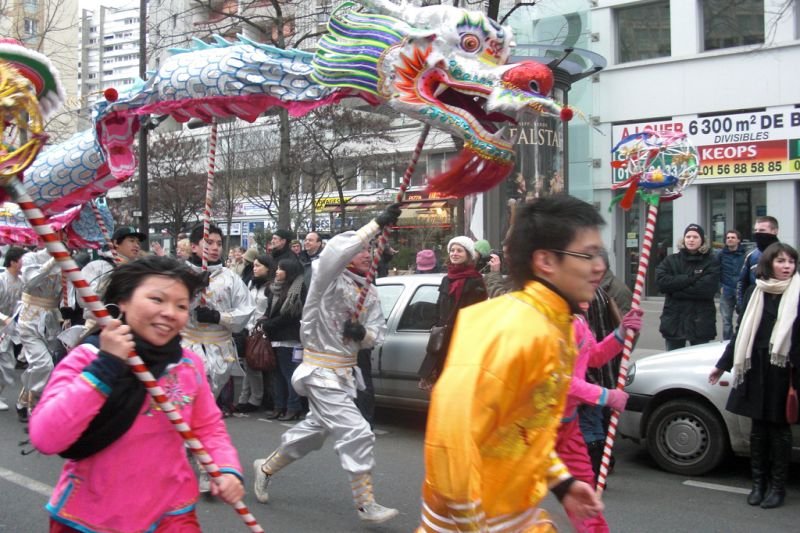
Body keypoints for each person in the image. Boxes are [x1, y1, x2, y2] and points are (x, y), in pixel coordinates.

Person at [417, 195, 605, 532]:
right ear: (546, 261)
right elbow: (450, 441)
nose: (599, 267)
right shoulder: (514, 329)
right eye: (588, 255)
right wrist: (474, 525)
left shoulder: (554, 325)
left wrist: (562, 483)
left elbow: (519, 430)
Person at [29, 256, 245, 532]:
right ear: (123, 301)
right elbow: (46, 437)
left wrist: (226, 468)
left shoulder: (188, 365)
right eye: (157, 299)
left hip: (172, 514)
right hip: (91, 517)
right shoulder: (88, 358)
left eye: (181, 305)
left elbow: (208, 426)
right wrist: (107, 366)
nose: (170, 312)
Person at [253, 203, 402, 524]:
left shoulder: (370, 292)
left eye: (371, 249)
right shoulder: (325, 280)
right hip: (320, 371)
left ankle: (264, 468)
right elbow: (333, 252)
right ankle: (366, 503)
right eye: (361, 248)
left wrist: (362, 334)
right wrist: (375, 225)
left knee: (312, 433)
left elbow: (378, 333)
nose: (366, 253)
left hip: (345, 374)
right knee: (358, 430)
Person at [709, 242, 799, 510]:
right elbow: (740, 333)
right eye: (781, 261)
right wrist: (722, 364)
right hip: (755, 367)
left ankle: (778, 487)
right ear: (769, 263)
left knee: (780, 429)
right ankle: (758, 484)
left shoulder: (797, 293)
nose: (786, 266)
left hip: (785, 369)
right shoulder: (754, 292)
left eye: (791, 262)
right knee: (758, 429)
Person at [557, 304, 642, 532]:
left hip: (568, 425)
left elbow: (593, 356)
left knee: (586, 498)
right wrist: (606, 395)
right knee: (514, 502)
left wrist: (621, 333)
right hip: (533, 428)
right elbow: (558, 381)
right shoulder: (550, 321)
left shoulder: (579, 319)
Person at [183, 224, 254, 422]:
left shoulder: (230, 277)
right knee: (190, 403)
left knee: (207, 404)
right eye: (209, 242)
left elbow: (246, 309)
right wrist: (194, 291)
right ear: (194, 247)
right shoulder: (181, 275)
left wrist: (218, 317)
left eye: (219, 243)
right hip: (189, 347)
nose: (215, 248)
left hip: (221, 352)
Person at [417, 236, 487, 389]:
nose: (455, 254)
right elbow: (439, 307)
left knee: (458, 385)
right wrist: (436, 326)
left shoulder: (475, 281)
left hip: (462, 342)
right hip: (443, 341)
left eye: (459, 251)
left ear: (468, 255)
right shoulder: (446, 279)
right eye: (452, 250)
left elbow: (478, 315)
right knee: (440, 385)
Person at [15, 248, 64, 423]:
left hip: (51, 322)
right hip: (29, 320)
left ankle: (23, 400)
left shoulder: (67, 260)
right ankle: (33, 407)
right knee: (44, 365)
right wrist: (53, 261)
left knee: (39, 365)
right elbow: (30, 281)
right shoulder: (31, 257)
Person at [656, 223, 720, 350]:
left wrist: (675, 290)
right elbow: (661, 283)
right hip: (674, 320)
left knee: (699, 363)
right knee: (672, 361)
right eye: (688, 236)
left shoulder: (711, 262)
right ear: (683, 239)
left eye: (695, 237)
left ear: (702, 240)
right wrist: (689, 279)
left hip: (700, 321)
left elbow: (706, 290)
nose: (691, 240)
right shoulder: (671, 260)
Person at [261, 257, 307, 421]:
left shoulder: (298, 289)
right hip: (275, 337)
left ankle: (293, 407)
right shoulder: (275, 289)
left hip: (290, 338)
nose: (277, 272)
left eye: (281, 269)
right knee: (277, 375)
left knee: (290, 375)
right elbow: (270, 310)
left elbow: (290, 316)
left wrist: (269, 324)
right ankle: (279, 406)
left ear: (289, 271)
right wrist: (265, 319)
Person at [236, 253, 275, 414]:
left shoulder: (271, 286)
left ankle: (255, 398)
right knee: (248, 364)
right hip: (247, 328)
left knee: (255, 365)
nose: (255, 268)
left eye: (259, 266)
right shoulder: (251, 283)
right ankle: (245, 397)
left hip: (261, 330)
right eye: (254, 265)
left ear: (268, 268)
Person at [0, 247, 26, 411]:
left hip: (9, 328)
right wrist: (4, 318)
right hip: (3, 321)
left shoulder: (22, 281)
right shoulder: (2, 279)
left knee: (7, 363)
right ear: (13, 261)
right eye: (23, 259)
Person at [737, 216, 779, 313]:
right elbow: (742, 282)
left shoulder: (786, 255)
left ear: (775, 231)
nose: (758, 233)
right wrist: (741, 305)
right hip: (755, 306)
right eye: (756, 230)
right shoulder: (752, 256)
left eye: (762, 230)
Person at [718, 229, 746, 340]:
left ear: (738, 240)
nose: (730, 239)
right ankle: (727, 343)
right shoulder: (720, 255)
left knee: (743, 319)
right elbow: (716, 272)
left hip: (741, 292)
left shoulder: (745, 254)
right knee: (726, 321)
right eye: (728, 237)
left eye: (733, 237)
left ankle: (740, 341)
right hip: (726, 291)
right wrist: (719, 286)